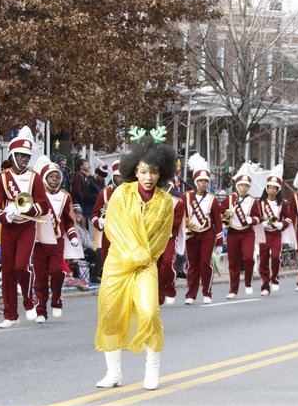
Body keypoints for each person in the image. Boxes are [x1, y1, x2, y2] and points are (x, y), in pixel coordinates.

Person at [95, 132, 175, 391]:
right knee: (110, 315)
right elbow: (113, 229)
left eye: (153, 172)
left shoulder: (165, 203)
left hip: (144, 267)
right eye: (143, 172)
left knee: (150, 312)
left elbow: (162, 239)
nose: (148, 177)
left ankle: (151, 371)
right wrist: (132, 254)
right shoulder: (121, 194)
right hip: (118, 264)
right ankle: (114, 372)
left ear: (161, 173)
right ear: (134, 172)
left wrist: (144, 258)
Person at [0, 126, 50, 328]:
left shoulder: (34, 177)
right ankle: (10, 315)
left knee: (20, 265)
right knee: (8, 270)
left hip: (26, 227)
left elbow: (43, 205)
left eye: (27, 156)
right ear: (13, 155)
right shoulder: (2, 178)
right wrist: (5, 214)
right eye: (21, 156)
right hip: (9, 227)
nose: (25, 159)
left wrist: (26, 210)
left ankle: (28, 300)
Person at [33, 156, 80, 322]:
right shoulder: (37, 195)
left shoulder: (65, 196)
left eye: (57, 177)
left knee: (56, 271)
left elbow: (68, 220)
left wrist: (73, 236)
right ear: (45, 178)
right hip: (39, 241)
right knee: (40, 276)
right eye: (51, 177)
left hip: (57, 240)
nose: (55, 180)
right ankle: (41, 310)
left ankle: (56, 300)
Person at [182, 155, 222, 304]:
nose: (204, 184)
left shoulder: (213, 199)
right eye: (201, 181)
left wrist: (219, 242)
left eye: (206, 181)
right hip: (191, 235)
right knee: (192, 264)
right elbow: (181, 217)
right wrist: (183, 233)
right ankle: (191, 294)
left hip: (207, 234)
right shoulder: (186, 197)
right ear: (195, 182)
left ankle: (207, 292)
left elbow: (217, 221)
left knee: (205, 263)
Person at [222, 166, 260, 299]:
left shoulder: (253, 201)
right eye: (241, 185)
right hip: (233, 232)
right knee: (233, 262)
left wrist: (251, 220)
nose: (243, 187)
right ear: (237, 185)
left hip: (247, 233)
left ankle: (248, 282)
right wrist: (226, 215)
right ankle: (233, 290)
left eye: (246, 185)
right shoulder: (230, 199)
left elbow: (258, 218)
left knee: (248, 257)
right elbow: (221, 212)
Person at [256, 168, 291, 295]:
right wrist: (262, 222)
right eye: (270, 187)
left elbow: (288, 217)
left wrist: (283, 224)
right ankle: (265, 285)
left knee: (276, 257)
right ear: (266, 188)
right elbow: (256, 217)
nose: (272, 190)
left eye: (274, 188)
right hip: (264, 234)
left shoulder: (281, 203)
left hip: (276, 234)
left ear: (278, 190)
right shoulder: (260, 203)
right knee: (264, 260)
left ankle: (275, 278)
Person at [158, 181, 186, 305]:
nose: (163, 188)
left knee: (167, 263)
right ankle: (159, 295)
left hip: (169, 237)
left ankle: (169, 287)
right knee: (156, 267)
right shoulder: (152, 200)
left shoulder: (178, 203)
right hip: (154, 237)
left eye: (165, 186)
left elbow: (176, 222)